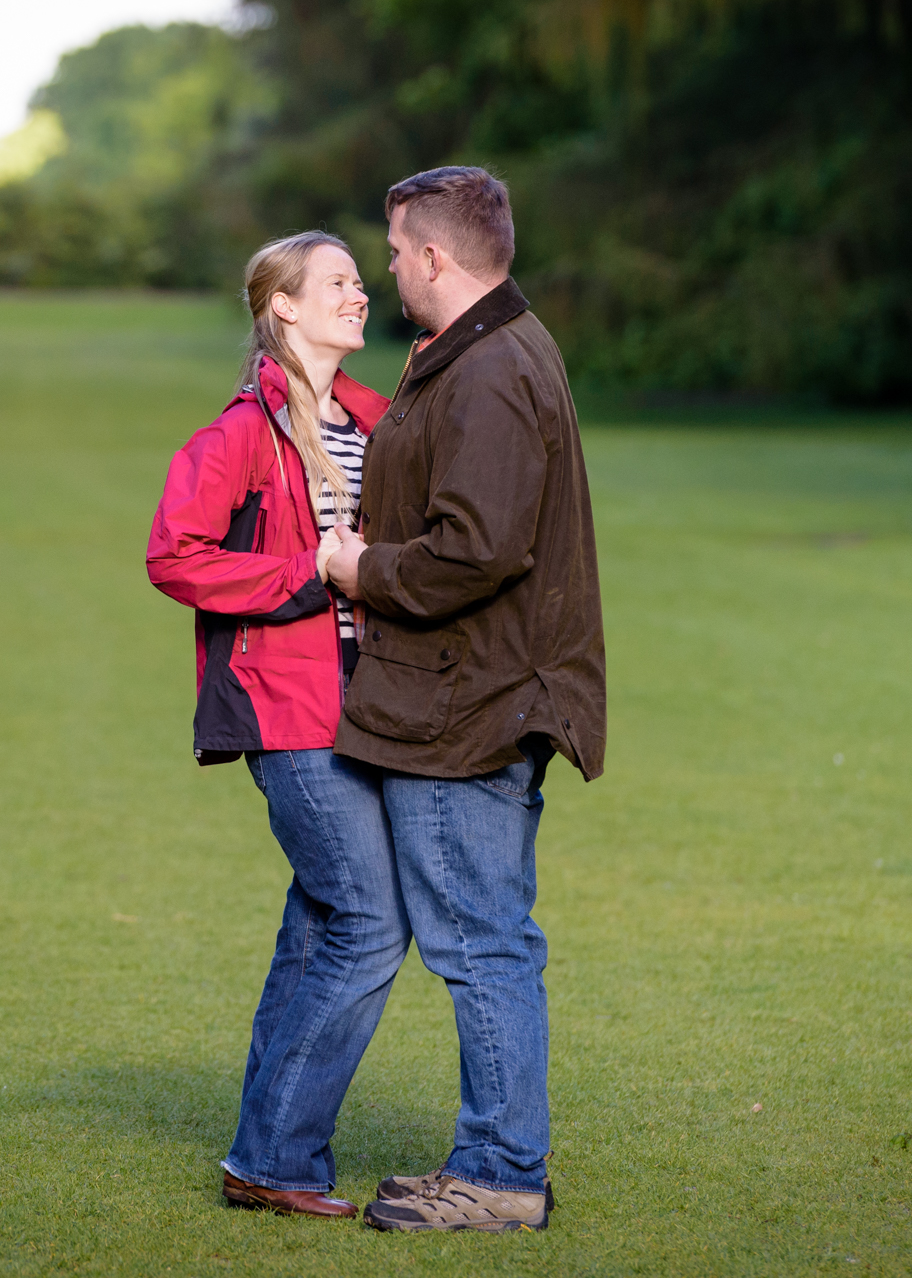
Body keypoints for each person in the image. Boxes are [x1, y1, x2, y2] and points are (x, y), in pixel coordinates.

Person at [322, 166, 606, 1234]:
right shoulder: (488, 347)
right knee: (488, 936)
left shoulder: (487, 366)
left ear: (434, 256)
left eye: (393, 250)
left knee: (481, 943)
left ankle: (494, 1175)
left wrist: (362, 570)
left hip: (468, 706)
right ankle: (496, 1162)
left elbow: (477, 546)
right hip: (473, 693)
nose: (387, 266)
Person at [146, 231, 401, 1220]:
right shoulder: (242, 431)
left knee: (322, 923)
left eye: (360, 279)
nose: (360, 292)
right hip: (288, 709)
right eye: (338, 280)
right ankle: (276, 1157)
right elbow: (177, 556)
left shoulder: (372, 420)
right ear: (283, 305)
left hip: (370, 705)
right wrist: (306, 576)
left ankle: (266, 1149)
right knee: (370, 919)